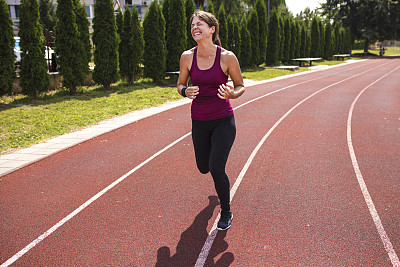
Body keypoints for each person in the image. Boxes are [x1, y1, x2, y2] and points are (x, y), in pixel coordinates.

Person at [177, 10, 245, 231]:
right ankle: (215, 203)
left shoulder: (227, 57)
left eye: (200, 24)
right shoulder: (187, 56)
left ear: (212, 29)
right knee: (203, 167)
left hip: (223, 120)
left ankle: (226, 212)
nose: (195, 27)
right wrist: (184, 91)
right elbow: (179, 85)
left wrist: (232, 94)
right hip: (199, 121)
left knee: (216, 167)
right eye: (192, 25)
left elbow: (240, 85)